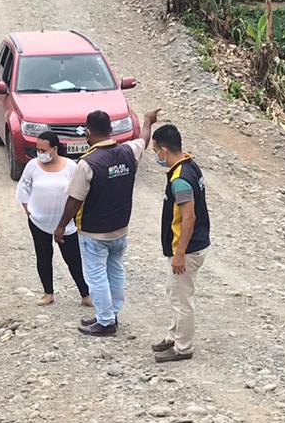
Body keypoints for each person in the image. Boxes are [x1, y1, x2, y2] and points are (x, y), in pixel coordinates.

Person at [55, 107, 161, 337]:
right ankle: (111, 313)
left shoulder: (87, 163)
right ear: (110, 129)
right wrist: (147, 121)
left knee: (96, 276)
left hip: (95, 232)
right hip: (120, 228)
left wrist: (61, 226)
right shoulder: (128, 151)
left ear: (88, 132)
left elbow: (75, 200)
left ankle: (105, 322)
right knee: (115, 270)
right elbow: (143, 140)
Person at [149, 124, 210, 362]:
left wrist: (180, 253)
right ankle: (173, 335)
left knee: (182, 299)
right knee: (174, 291)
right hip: (193, 244)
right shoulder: (189, 164)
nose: (156, 155)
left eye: (155, 150)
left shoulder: (180, 180)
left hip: (186, 248)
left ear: (164, 150)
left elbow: (189, 217)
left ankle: (183, 347)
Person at [15, 131, 92, 308]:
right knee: (43, 256)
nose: (40, 153)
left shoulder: (71, 167)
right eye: (37, 150)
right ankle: (48, 293)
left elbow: (79, 192)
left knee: (73, 259)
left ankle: (85, 294)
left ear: (55, 149)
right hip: (39, 221)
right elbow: (24, 187)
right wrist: (28, 211)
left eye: (43, 150)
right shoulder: (32, 166)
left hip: (65, 224)